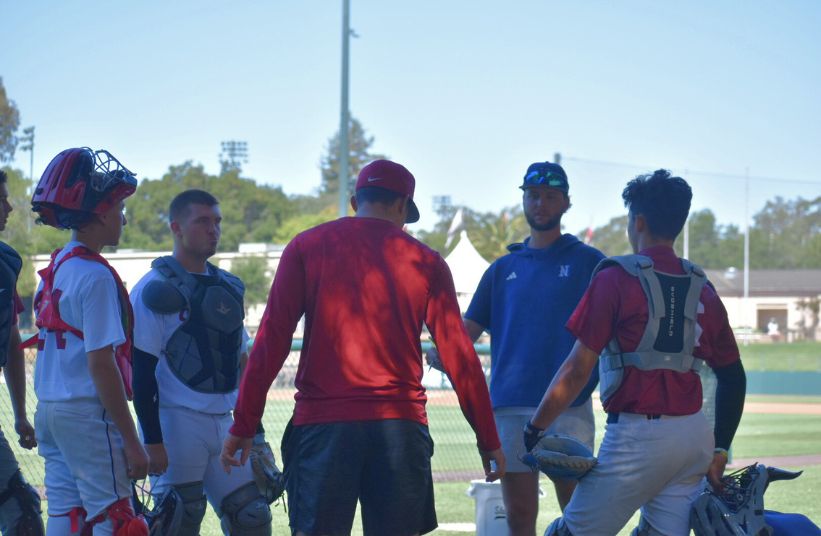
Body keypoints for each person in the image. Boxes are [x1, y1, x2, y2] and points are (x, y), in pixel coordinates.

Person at [220, 159, 505, 536]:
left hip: (323, 426)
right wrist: (488, 439)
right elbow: (461, 359)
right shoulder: (427, 262)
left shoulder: (305, 246)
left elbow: (271, 341)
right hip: (399, 429)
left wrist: (244, 425)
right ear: (403, 206)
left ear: (356, 201)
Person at [528, 169, 747, 536]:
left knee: (567, 534)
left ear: (638, 221)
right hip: (694, 441)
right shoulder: (702, 287)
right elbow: (733, 376)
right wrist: (721, 449)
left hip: (637, 438)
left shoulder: (615, 277)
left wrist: (535, 427)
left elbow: (577, 369)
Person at [426, 161, 603, 535]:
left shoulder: (590, 262)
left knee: (578, 515)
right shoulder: (501, 268)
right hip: (508, 407)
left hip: (568, 406)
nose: (540, 203)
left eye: (550, 196)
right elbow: (464, 333)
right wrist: (439, 352)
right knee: (519, 515)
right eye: (533, 195)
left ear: (566, 204)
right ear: (523, 199)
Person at [129, 189, 272, 535]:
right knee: (178, 519)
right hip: (177, 423)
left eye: (217, 222)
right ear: (176, 227)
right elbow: (141, 372)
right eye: (203, 221)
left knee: (252, 517)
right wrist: (153, 441)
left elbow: (242, 362)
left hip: (225, 424)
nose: (214, 230)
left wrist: (255, 430)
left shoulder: (228, 287)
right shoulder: (154, 288)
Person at [29, 147, 149, 535]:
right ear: (98, 215)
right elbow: (101, 364)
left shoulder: (59, 264)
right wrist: (132, 441)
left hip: (50, 410)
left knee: (67, 516)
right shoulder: (94, 275)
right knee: (119, 522)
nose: (123, 220)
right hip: (85, 413)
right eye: (118, 211)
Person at [0, 169, 45, 535]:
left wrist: (19, 414)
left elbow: (13, 338)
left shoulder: (5, 264)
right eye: (1, 199)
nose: (9, 207)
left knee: (23, 514)